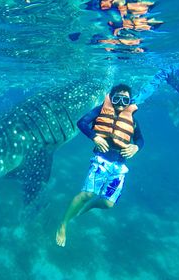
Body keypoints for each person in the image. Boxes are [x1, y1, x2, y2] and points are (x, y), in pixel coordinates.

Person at [56, 84, 144, 247]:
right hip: (101, 161)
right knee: (87, 194)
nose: (120, 103)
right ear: (111, 98)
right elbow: (82, 123)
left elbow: (140, 139)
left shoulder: (132, 119)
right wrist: (94, 136)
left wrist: (136, 147)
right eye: (116, 99)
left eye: (124, 100)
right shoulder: (99, 111)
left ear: (129, 101)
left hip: (119, 167)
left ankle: (87, 208)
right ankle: (63, 224)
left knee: (108, 204)